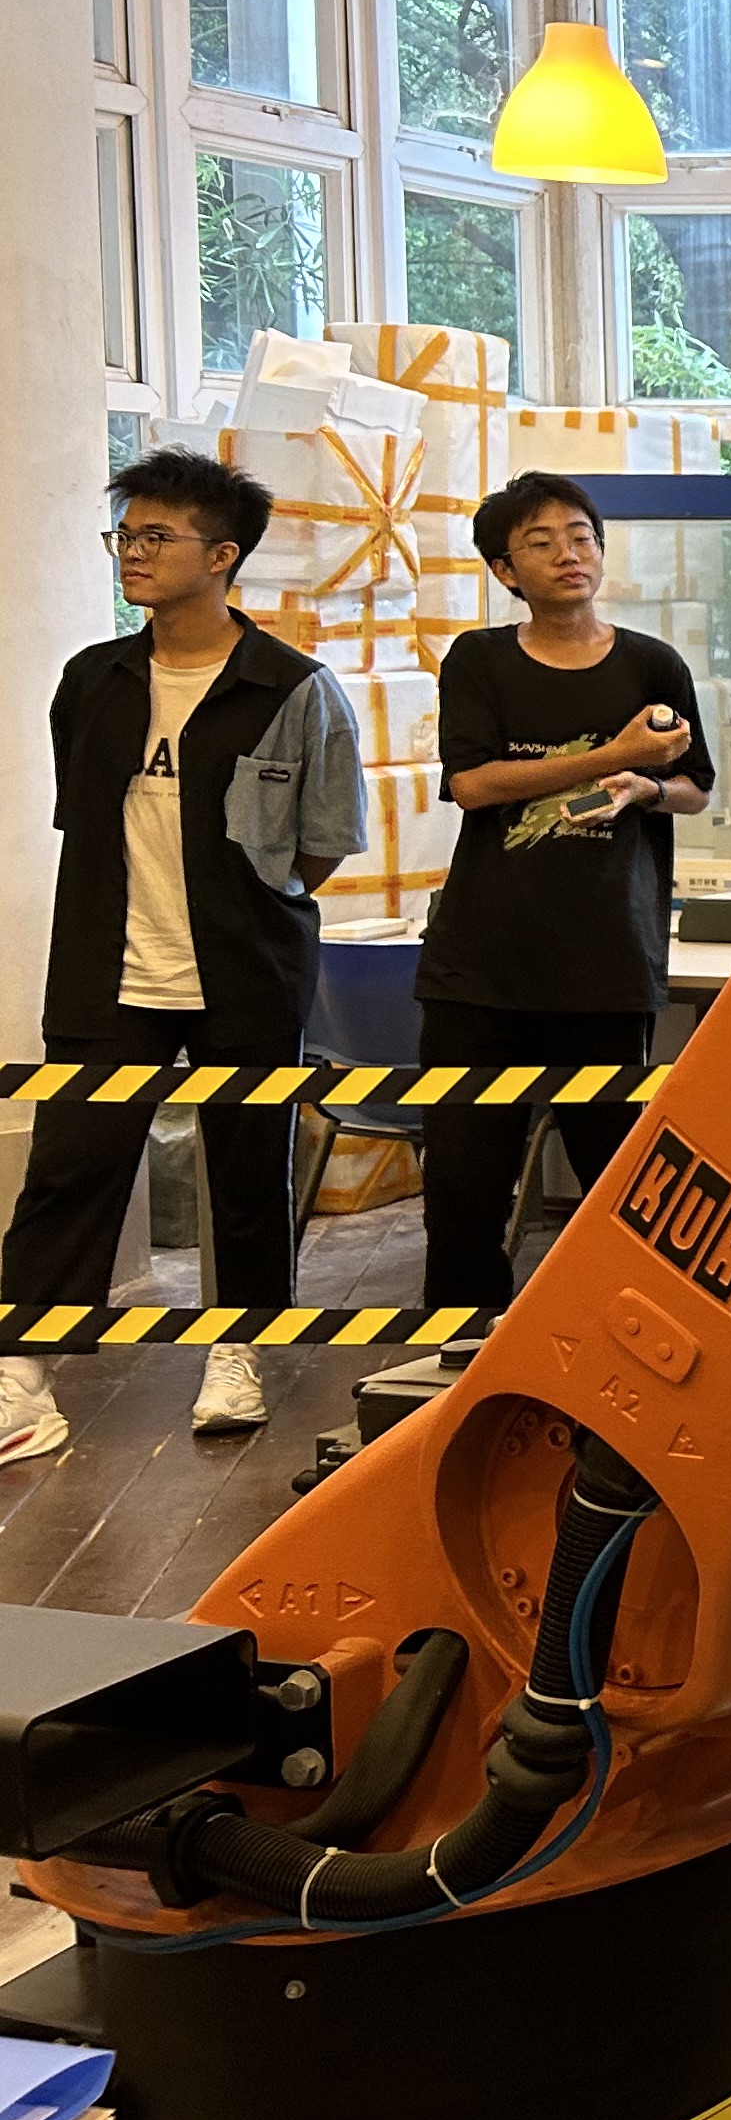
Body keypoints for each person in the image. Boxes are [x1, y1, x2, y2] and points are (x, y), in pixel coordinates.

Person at [0, 451, 366, 1458]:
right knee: (70, 1165)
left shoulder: (293, 687)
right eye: (126, 535)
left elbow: (324, 839)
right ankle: (22, 1374)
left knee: (246, 1169)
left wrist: (250, 904)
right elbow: (83, 819)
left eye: (157, 537)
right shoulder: (94, 680)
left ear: (222, 555)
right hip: (106, 968)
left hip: (246, 968)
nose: (134, 553)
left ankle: (236, 1349)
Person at [414, 471, 714, 1306]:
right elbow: (473, 784)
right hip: (481, 967)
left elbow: (694, 786)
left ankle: (622, 1339)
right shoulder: (480, 659)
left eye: (581, 537)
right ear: (505, 571)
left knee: (617, 1186)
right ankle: (463, 1347)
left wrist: (646, 787)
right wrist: (615, 756)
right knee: (464, 1187)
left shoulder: (653, 664)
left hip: (606, 963)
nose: (568, 555)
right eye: (541, 543)